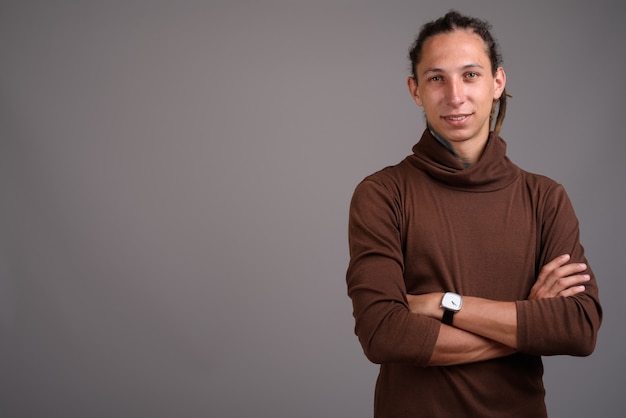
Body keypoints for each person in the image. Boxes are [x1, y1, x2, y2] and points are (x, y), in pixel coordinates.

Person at [346, 10, 602, 417]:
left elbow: (579, 327)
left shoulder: (545, 198)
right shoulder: (382, 194)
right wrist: (526, 326)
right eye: (436, 78)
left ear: (497, 82)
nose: (454, 95)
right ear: (415, 90)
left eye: (470, 75)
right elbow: (382, 334)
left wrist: (444, 304)